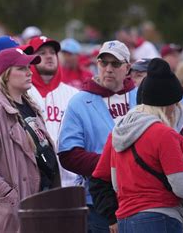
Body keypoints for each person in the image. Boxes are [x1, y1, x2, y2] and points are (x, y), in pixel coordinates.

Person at [92, 58, 183, 233]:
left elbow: (114, 183)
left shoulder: (118, 133)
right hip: (161, 217)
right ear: (169, 106)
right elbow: (182, 188)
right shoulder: (165, 135)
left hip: (126, 220)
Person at [58, 40, 137, 232]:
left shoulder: (140, 96)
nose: (108, 69)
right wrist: (112, 164)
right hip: (98, 202)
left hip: (140, 199)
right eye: (103, 63)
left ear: (127, 68)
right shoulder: (79, 101)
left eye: (115, 64)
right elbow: (68, 154)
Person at [0, 48, 60, 232]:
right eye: (22, 68)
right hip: (17, 208)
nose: (30, 72)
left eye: (29, 67)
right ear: (6, 74)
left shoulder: (31, 106)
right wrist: (8, 194)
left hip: (43, 199)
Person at [27, 36, 80, 187]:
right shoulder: (22, 94)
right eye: (42, 53)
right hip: (33, 182)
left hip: (70, 181)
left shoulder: (74, 95)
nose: (49, 56)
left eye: (52, 52)